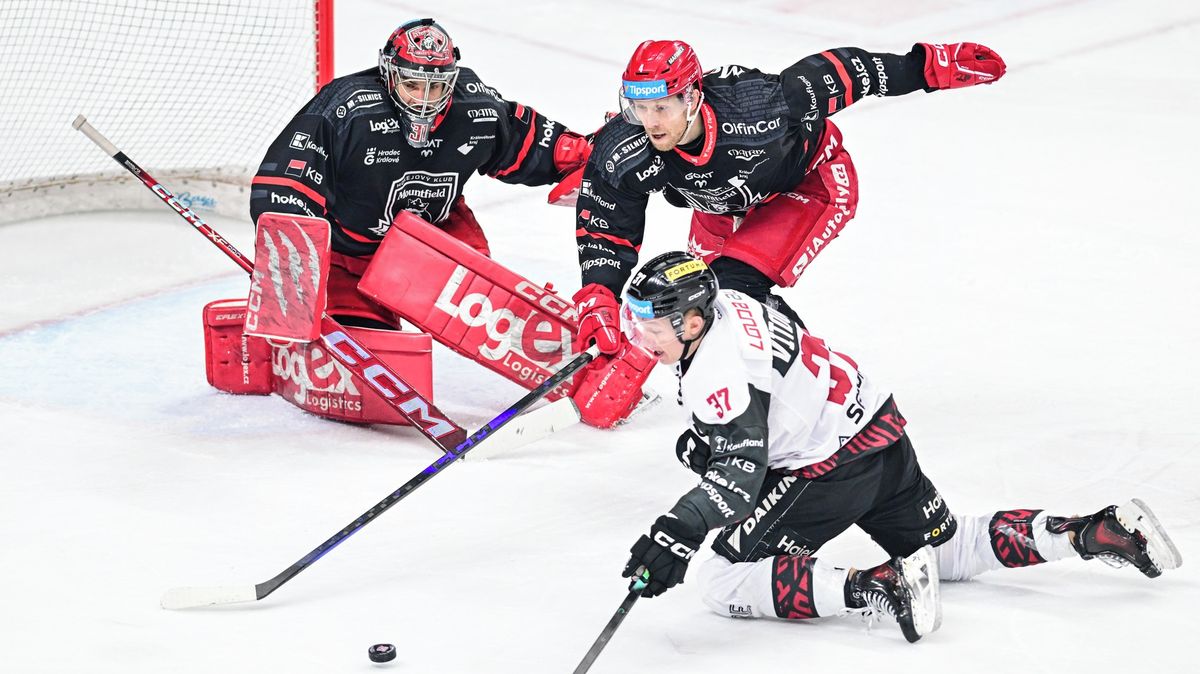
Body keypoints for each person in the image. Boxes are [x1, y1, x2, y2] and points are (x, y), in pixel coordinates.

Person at [616, 251, 1182, 642]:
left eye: (652, 323)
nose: (641, 335)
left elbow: (738, 475)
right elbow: (779, 369)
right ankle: (1093, 531)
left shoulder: (717, 370)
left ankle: (875, 586)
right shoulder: (732, 302)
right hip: (878, 432)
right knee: (946, 547)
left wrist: (676, 533)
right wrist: (726, 439)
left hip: (831, 468)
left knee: (719, 578)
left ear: (693, 321)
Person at [572, 39, 1005, 359]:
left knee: (730, 291)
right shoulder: (625, 146)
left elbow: (844, 73)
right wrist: (599, 295)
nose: (649, 122)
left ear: (692, 96)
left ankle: (818, 385)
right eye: (638, 109)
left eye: (661, 108)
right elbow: (606, 225)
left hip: (809, 185)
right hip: (720, 207)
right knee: (694, 306)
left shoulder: (759, 107)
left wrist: (927, 67)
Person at [250, 18, 591, 330]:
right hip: (349, 255)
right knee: (364, 341)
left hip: (434, 243)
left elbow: (529, 142)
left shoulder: (476, 109)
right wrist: (290, 265)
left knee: (487, 312)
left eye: (436, 87)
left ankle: (545, 340)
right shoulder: (348, 107)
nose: (424, 99)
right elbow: (286, 184)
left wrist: (585, 156)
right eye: (413, 85)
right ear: (389, 74)